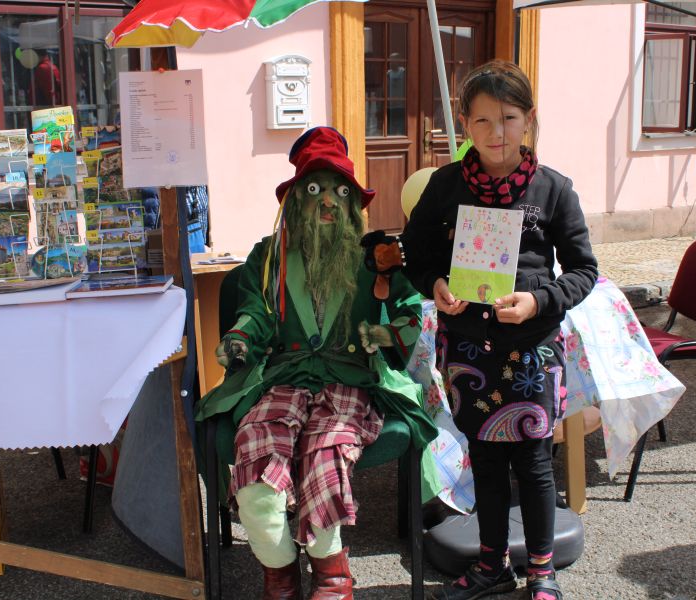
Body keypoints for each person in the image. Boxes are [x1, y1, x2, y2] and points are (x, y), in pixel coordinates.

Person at [198, 126, 436, 599]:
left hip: (349, 379)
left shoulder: (374, 258)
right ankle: (280, 573)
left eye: (338, 191)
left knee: (324, 456)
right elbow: (256, 312)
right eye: (313, 190)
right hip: (282, 379)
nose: (327, 201)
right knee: (256, 468)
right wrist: (241, 338)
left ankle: (332, 576)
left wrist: (385, 333)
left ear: (352, 204)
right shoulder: (269, 257)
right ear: (295, 201)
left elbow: (412, 312)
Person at [401, 61, 598, 600]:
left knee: (533, 463)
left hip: (532, 350)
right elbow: (415, 253)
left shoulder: (553, 190)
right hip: (469, 351)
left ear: (528, 119)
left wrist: (538, 301)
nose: (497, 132)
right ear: (465, 123)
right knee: (485, 461)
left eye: (509, 118)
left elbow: (584, 270)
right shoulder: (445, 187)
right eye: (483, 120)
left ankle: (541, 572)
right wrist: (435, 283)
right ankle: (492, 567)